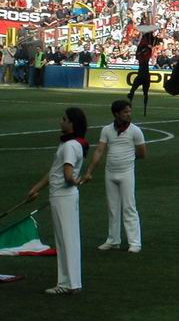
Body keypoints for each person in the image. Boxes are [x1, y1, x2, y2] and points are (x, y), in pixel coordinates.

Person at [27, 107, 89, 295]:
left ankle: (69, 283)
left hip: (63, 196)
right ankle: (70, 282)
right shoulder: (71, 144)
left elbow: (68, 174)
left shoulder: (70, 146)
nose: (60, 121)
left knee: (65, 239)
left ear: (71, 123)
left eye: (64, 119)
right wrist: (37, 188)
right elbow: (56, 170)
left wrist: (75, 181)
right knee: (67, 239)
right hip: (63, 195)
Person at [81, 100, 147, 252]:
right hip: (110, 172)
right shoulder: (107, 130)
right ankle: (113, 240)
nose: (129, 114)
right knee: (112, 207)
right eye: (125, 112)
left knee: (129, 207)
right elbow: (99, 151)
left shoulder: (135, 131)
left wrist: (129, 159)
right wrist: (89, 171)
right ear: (116, 114)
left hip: (126, 173)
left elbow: (143, 153)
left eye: (129, 111)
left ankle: (135, 242)